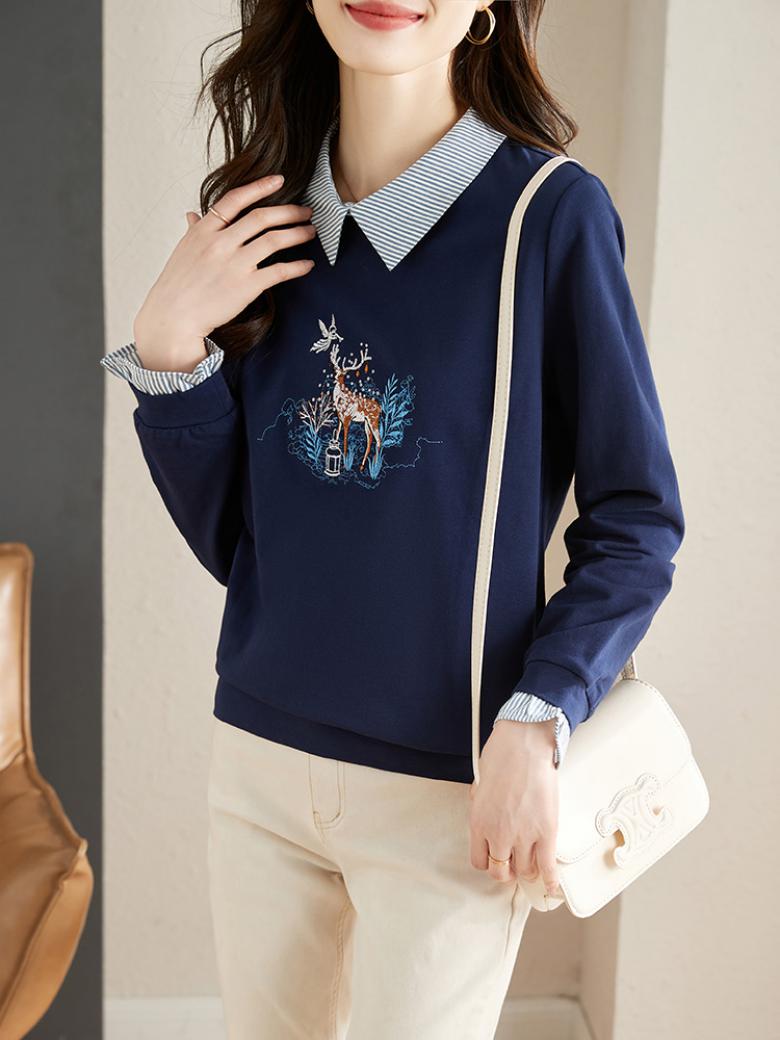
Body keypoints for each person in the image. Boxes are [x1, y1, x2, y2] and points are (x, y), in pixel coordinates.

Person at [100, 1, 685, 1036]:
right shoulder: (263, 217)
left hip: (453, 792)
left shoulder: (548, 217)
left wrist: (539, 719)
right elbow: (241, 540)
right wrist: (167, 348)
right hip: (259, 768)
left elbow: (637, 521)